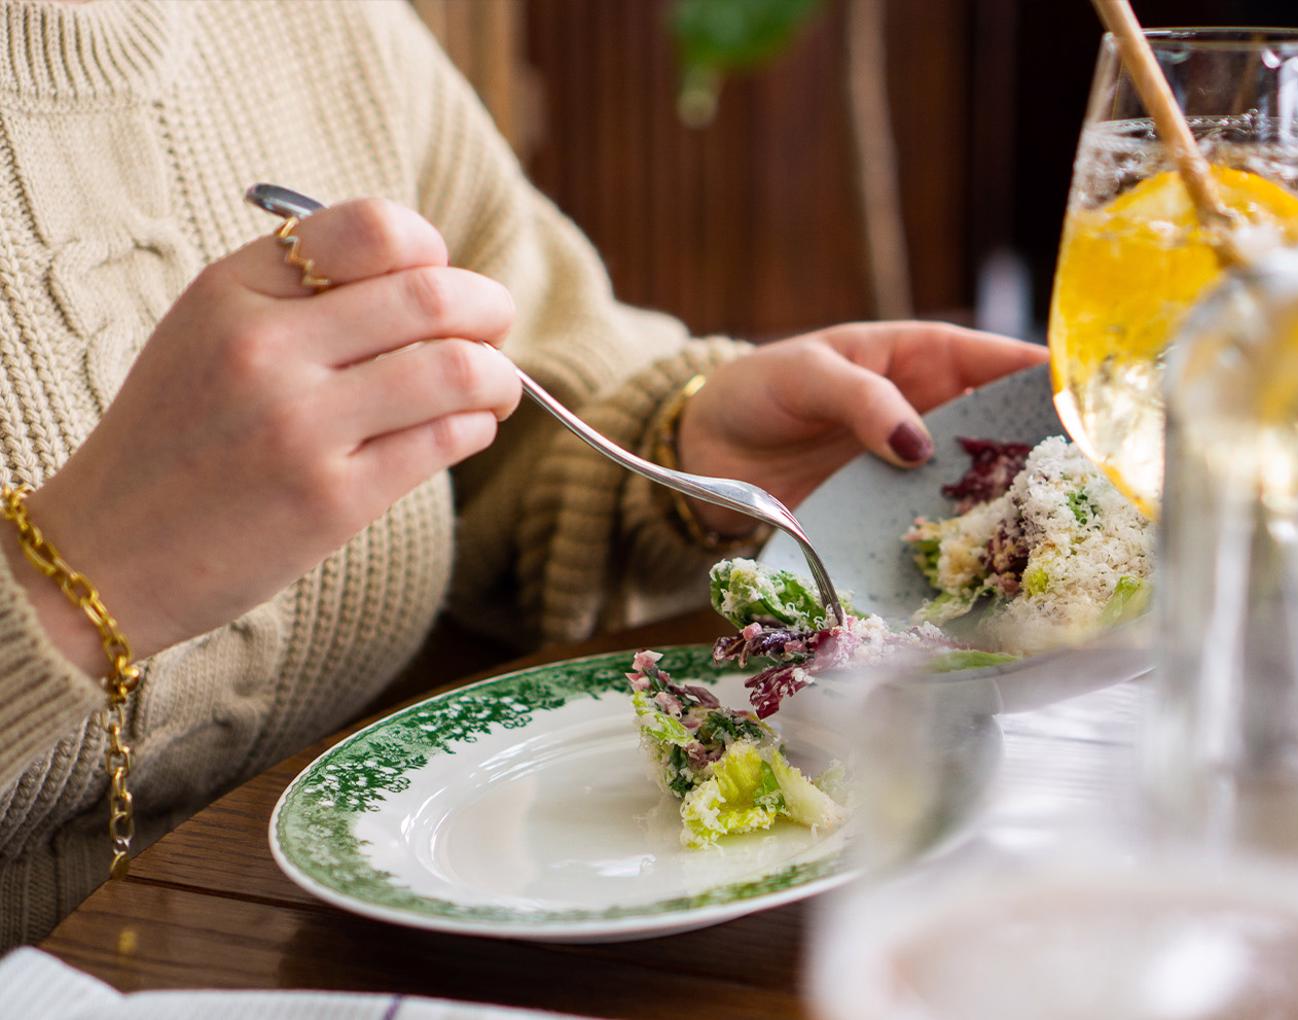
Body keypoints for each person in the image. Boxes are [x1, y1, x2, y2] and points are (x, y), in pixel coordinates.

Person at [0, 0, 1044, 947]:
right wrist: (70, 581)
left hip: (358, 950)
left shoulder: (333, 29)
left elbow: (515, 401)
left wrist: (673, 452)